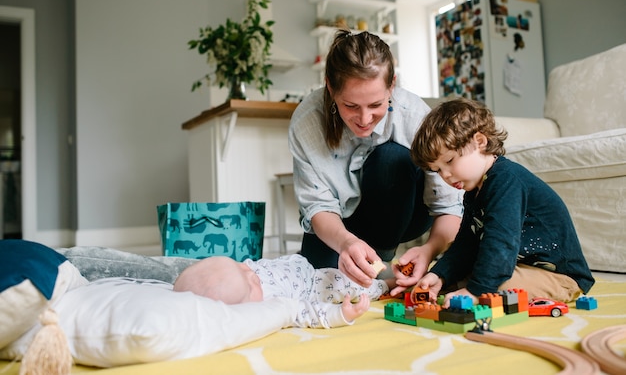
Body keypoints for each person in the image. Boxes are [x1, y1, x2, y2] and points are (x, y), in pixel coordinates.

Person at [288, 30, 464, 289]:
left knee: (391, 158)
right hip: (339, 221)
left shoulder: (414, 116)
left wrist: (428, 251)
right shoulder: (307, 123)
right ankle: (373, 270)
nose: (364, 119)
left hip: (405, 210)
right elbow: (317, 207)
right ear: (330, 87)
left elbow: (450, 207)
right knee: (318, 285)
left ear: (392, 84)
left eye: (375, 105)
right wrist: (346, 243)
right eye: (350, 106)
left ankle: (379, 260)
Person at [400, 98, 595, 305]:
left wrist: (475, 292)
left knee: (492, 289)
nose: (445, 175)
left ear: (480, 142)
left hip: (560, 276)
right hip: (516, 265)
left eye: (449, 161)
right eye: (437, 170)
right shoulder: (474, 190)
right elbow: (466, 243)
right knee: (465, 276)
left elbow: (500, 242)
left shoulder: (506, 180)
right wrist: (439, 275)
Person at [173, 253, 393, 329]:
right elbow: (306, 313)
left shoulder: (237, 274)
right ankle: (387, 286)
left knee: (350, 267)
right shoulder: (269, 306)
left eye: (240, 267)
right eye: (250, 285)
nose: (252, 274)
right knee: (349, 283)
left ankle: (387, 271)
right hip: (313, 287)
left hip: (302, 264)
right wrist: (342, 315)